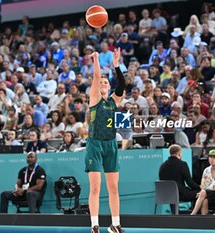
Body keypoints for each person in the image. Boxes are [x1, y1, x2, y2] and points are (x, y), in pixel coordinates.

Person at [85, 48, 124, 233]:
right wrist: (97, 59)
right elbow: (95, 76)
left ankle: (115, 224)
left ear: (109, 87)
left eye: (105, 82)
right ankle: (94, 225)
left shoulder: (113, 101)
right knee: (95, 188)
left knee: (113, 188)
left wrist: (116, 66)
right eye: (100, 81)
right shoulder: (94, 99)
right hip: (95, 144)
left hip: (110, 144)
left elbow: (122, 85)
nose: (102, 83)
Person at [158, 144, 201, 211]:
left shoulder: (162, 166)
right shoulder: (182, 164)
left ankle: (174, 214)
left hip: (165, 195)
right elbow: (189, 182)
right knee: (200, 193)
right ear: (179, 153)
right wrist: (200, 188)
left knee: (174, 192)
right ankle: (194, 216)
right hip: (180, 194)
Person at [190, 149, 215, 215]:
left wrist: (203, 192)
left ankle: (193, 214)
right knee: (204, 200)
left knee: (203, 193)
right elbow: (203, 185)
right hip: (207, 194)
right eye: (210, 157)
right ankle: (205, 222)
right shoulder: (206, 170)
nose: (212, 159)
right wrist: (202, 192)